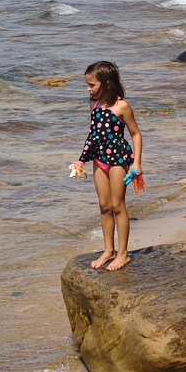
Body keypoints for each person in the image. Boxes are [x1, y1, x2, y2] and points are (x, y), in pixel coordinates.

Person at [71, 60, 142, 271]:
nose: (88, 89)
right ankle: (108, 250)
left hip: (119, 160)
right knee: (104, 206)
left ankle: (123, 254)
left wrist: (136, 163)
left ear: (107, 83)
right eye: (87, 84)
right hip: (99, 159)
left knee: (117, 205)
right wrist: (81, 159)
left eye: (92, 85)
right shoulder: (94, 105)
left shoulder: (122, 106)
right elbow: (92, 135)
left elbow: (136, 134)